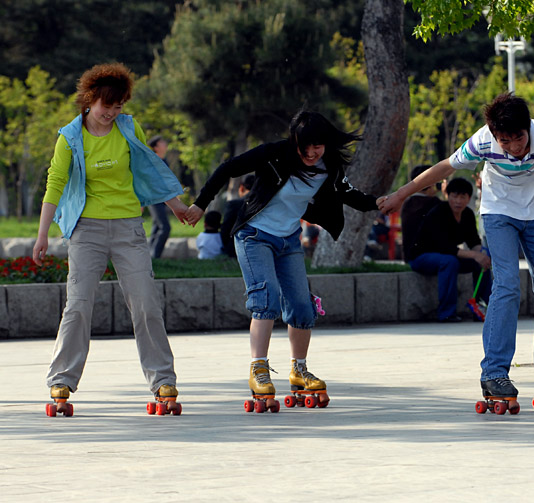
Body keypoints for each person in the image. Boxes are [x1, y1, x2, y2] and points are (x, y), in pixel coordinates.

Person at [379, 93, 534, 401]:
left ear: (528, 128)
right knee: (507, 285)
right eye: (505, 141)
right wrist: (402, 193)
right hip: (499, 212)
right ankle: (494, 373)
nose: (514, 148)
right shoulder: (483, 141)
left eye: (519, 138)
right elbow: (445, 168)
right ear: (494, 135)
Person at [184, 110, 379, 408]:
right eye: (305, 148)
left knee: (302, 305)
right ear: (295, 142)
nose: (311, 153)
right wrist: (200, 204)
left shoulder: (329, 167)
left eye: (318, 146)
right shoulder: (275, 154)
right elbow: (227, 168)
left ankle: (299, 370)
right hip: (253, 235)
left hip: (288, 240)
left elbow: (350, 195)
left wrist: (381, 202)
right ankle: (258, 369)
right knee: (267, 298)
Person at [32, 63, 189, 415]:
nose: (112, 113)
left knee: (146, 302)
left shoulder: (129, 128)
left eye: (119, 106)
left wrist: (177, 206)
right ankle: (61, 379)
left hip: (128, 228)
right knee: (79, 304)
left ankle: (163, 379)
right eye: (107, 106)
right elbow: (55, 183)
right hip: (86, 231)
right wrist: (42, 233)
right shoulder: (70, 137)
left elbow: (149, 168)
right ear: (89, 100)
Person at [407, 177, 491, 322]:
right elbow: (444, 247)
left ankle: (482, 309)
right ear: (448, 196)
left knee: (482, 260)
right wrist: (474, 254)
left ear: (468, 198)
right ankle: (446, 313)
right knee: (450, 261)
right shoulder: (438, 212)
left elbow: (473, 242)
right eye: (454, 196)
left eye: (462, 197)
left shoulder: (468, 215)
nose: (458, 201)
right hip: (422, 257)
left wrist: (482, 254)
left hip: (449, 256)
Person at [400, 165, 442, 263]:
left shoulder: (407, 202)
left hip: (409, 256)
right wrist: (448, 195)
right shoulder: (434, 203)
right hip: (429, 256)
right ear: (430, 182)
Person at [147, 135, 172, 258]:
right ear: (156, 147)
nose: (165, 144)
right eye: (162, 142)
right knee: (165, 227)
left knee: (157, 227)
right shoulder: (153, 161)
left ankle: (150, 257)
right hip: (154, 198)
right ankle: (155, 256)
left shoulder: (164, 160)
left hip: (163, 199)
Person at [220, 174, 255, 257]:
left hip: (236, 248)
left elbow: (225, 228)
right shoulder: (267, 205)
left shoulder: (234, 204)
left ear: (241, 188)